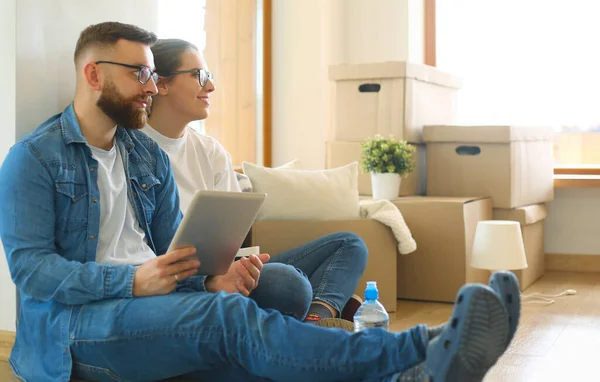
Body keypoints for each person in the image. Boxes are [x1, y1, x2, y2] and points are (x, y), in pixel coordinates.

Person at [0, 21, 521, 382]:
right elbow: (32, 272)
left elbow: (173, 247)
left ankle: (413, 372)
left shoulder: (143, 158)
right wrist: (134, 281)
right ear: (93, 75)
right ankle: (427, 344)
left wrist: (210, 278)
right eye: (138, 73)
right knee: (228, 321)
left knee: (248, 359)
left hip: (150, 305)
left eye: (152, 75)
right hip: (74, 331)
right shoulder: (35, 159)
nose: (149, 86)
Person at [142, 38, 366, 327]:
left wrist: (241, 263)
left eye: (209, 76)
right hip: (181, 283)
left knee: (350, 244)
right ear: (161, 84)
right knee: (289, 284)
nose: (210, 87)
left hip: (226, 267)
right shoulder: (134, 151)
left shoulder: (210, 151)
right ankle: (321, 308)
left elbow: (231, 237)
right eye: (199, 76)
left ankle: (316, 320)